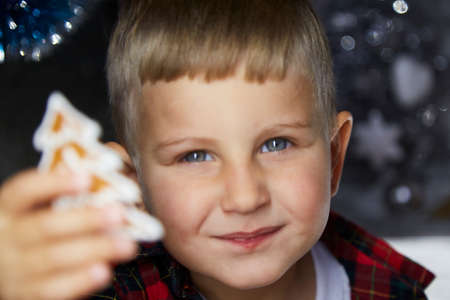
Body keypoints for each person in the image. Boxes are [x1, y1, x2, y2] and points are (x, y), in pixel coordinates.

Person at [0, 0, 434, 299]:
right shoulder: (106, 291)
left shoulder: (393, 290)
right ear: (132, 184)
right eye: (195, 156)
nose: (245, 198)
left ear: (335, 158)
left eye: (276, 144)